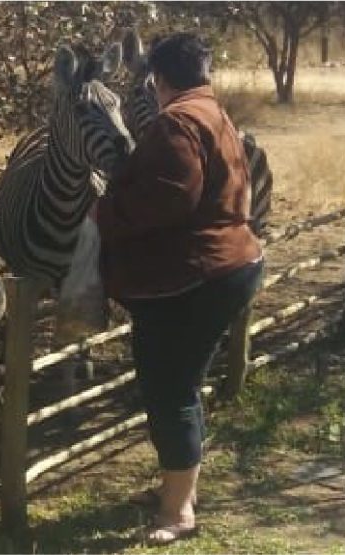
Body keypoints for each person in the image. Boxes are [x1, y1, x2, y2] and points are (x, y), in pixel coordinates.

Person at [93, 32, 264, 545]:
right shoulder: (212, 111)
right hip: (229, 263)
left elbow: (170, 197)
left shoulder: (176, 121)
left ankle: (177, 511)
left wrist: (105, 213)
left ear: (159, 79)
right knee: (181, 385)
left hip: (195, 276)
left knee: (171, 389)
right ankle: (178, 488)